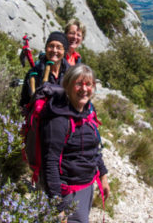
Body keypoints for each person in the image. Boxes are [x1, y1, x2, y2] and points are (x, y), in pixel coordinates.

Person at [41, 64, 110, 223]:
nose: (84, 89)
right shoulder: (57, 120)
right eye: (78, 83)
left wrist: (103, 175)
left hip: (86, 187)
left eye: (89, 84)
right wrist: (57, 207)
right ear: (68, 85)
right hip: (66, 192)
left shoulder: (88, 111)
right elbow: (49, 163)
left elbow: (93, 148)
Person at [19, 31, 71, 108]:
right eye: (51, 46)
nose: (54, 50)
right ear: (46, 48)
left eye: (59, 47)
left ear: (64, 51)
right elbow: (25, 101)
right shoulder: (35, 73)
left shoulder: (71, 74)